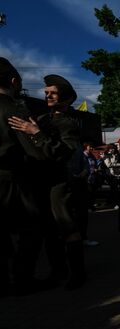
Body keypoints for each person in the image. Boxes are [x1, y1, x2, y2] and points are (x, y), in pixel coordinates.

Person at [9, 74, 88, 290]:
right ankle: (58, 271)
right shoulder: (43, 118)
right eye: (46, 93)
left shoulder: (67, 123)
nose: (47, 96)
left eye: (53, 93)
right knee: (49, 230)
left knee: (66, 226)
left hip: (60, 182)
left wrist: (36, 132)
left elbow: (63, 153)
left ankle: (77, 274)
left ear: (65, 98)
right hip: (42, 180)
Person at [0, 57, 43, 295]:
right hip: (14, 177)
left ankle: (3, 281)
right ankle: (22, 278)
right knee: (32, 228)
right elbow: (32, 148)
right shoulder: (15, 108)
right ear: (14, 81)